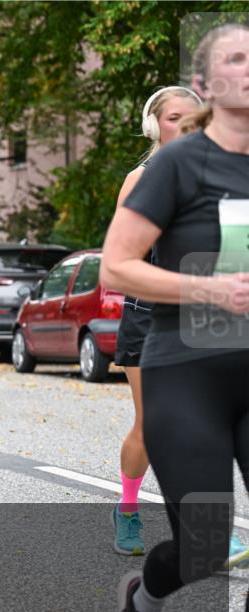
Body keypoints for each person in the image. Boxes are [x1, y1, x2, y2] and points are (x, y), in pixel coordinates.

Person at [101, 23, 249, 612]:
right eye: (236, 58)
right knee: (206, 544)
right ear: (205, 83)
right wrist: (211, 290)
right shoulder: (175, 164)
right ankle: (145, 604)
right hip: (186, 370)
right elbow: (116, 267)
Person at [111, 86, 203, 556]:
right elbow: (119, 256)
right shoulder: (140, 179)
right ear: (155, 125)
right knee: (154, 425)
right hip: (150, 316)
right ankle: (127, 511)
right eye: (173, 117)